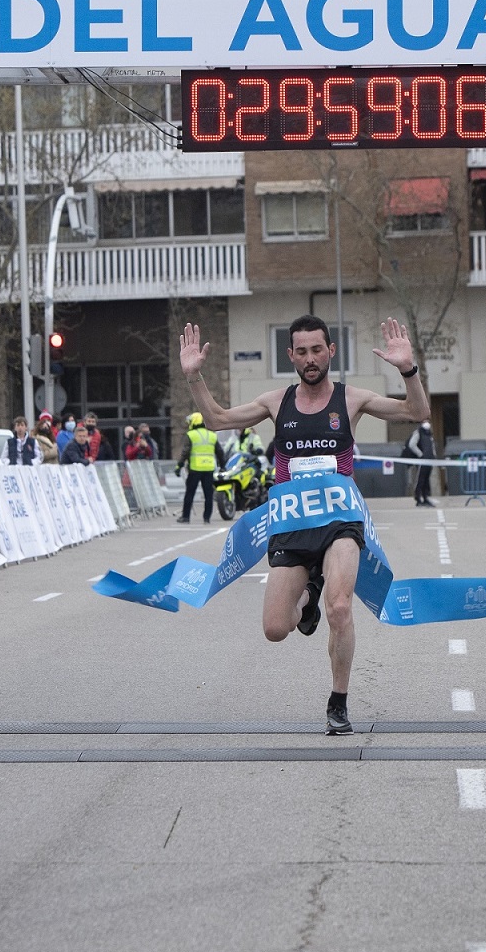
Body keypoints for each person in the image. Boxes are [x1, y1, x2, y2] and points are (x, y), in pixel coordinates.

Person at [178, 313, 429, 735]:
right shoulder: (276, 403)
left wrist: (408, 369)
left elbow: (417, 411)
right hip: (292, 523)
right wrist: (193, 377)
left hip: (340, 520)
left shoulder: (352, 399)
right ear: (290, 356)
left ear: (331, 351)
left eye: (317, 350)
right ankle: (309, 593)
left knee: (341, 607)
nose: (310, 359)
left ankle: (338, 702)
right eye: (302, 352)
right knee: (276, 628)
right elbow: (218, 419)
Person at [179, 410, 218, 522]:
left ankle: (186, 517)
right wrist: (223, 465)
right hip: (209, 469)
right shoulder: (212, 435)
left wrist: (179, 465)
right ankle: (207, 518)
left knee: (190, 494)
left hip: (195, 469)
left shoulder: (191, 435)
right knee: (208, 495)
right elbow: (219, 452)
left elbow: (185, 452)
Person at [407, 418, 435, 506]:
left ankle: (425, 497)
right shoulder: (418, 432)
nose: (427, 423)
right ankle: (418, 498)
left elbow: (432, 446)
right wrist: (420, 454)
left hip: (429, 460)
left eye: (428, 421)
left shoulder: (429, 433)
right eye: (425, 421)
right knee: (420, 479)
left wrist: (433, 455)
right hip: (422, 460)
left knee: (426, 479)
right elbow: (412, 444)